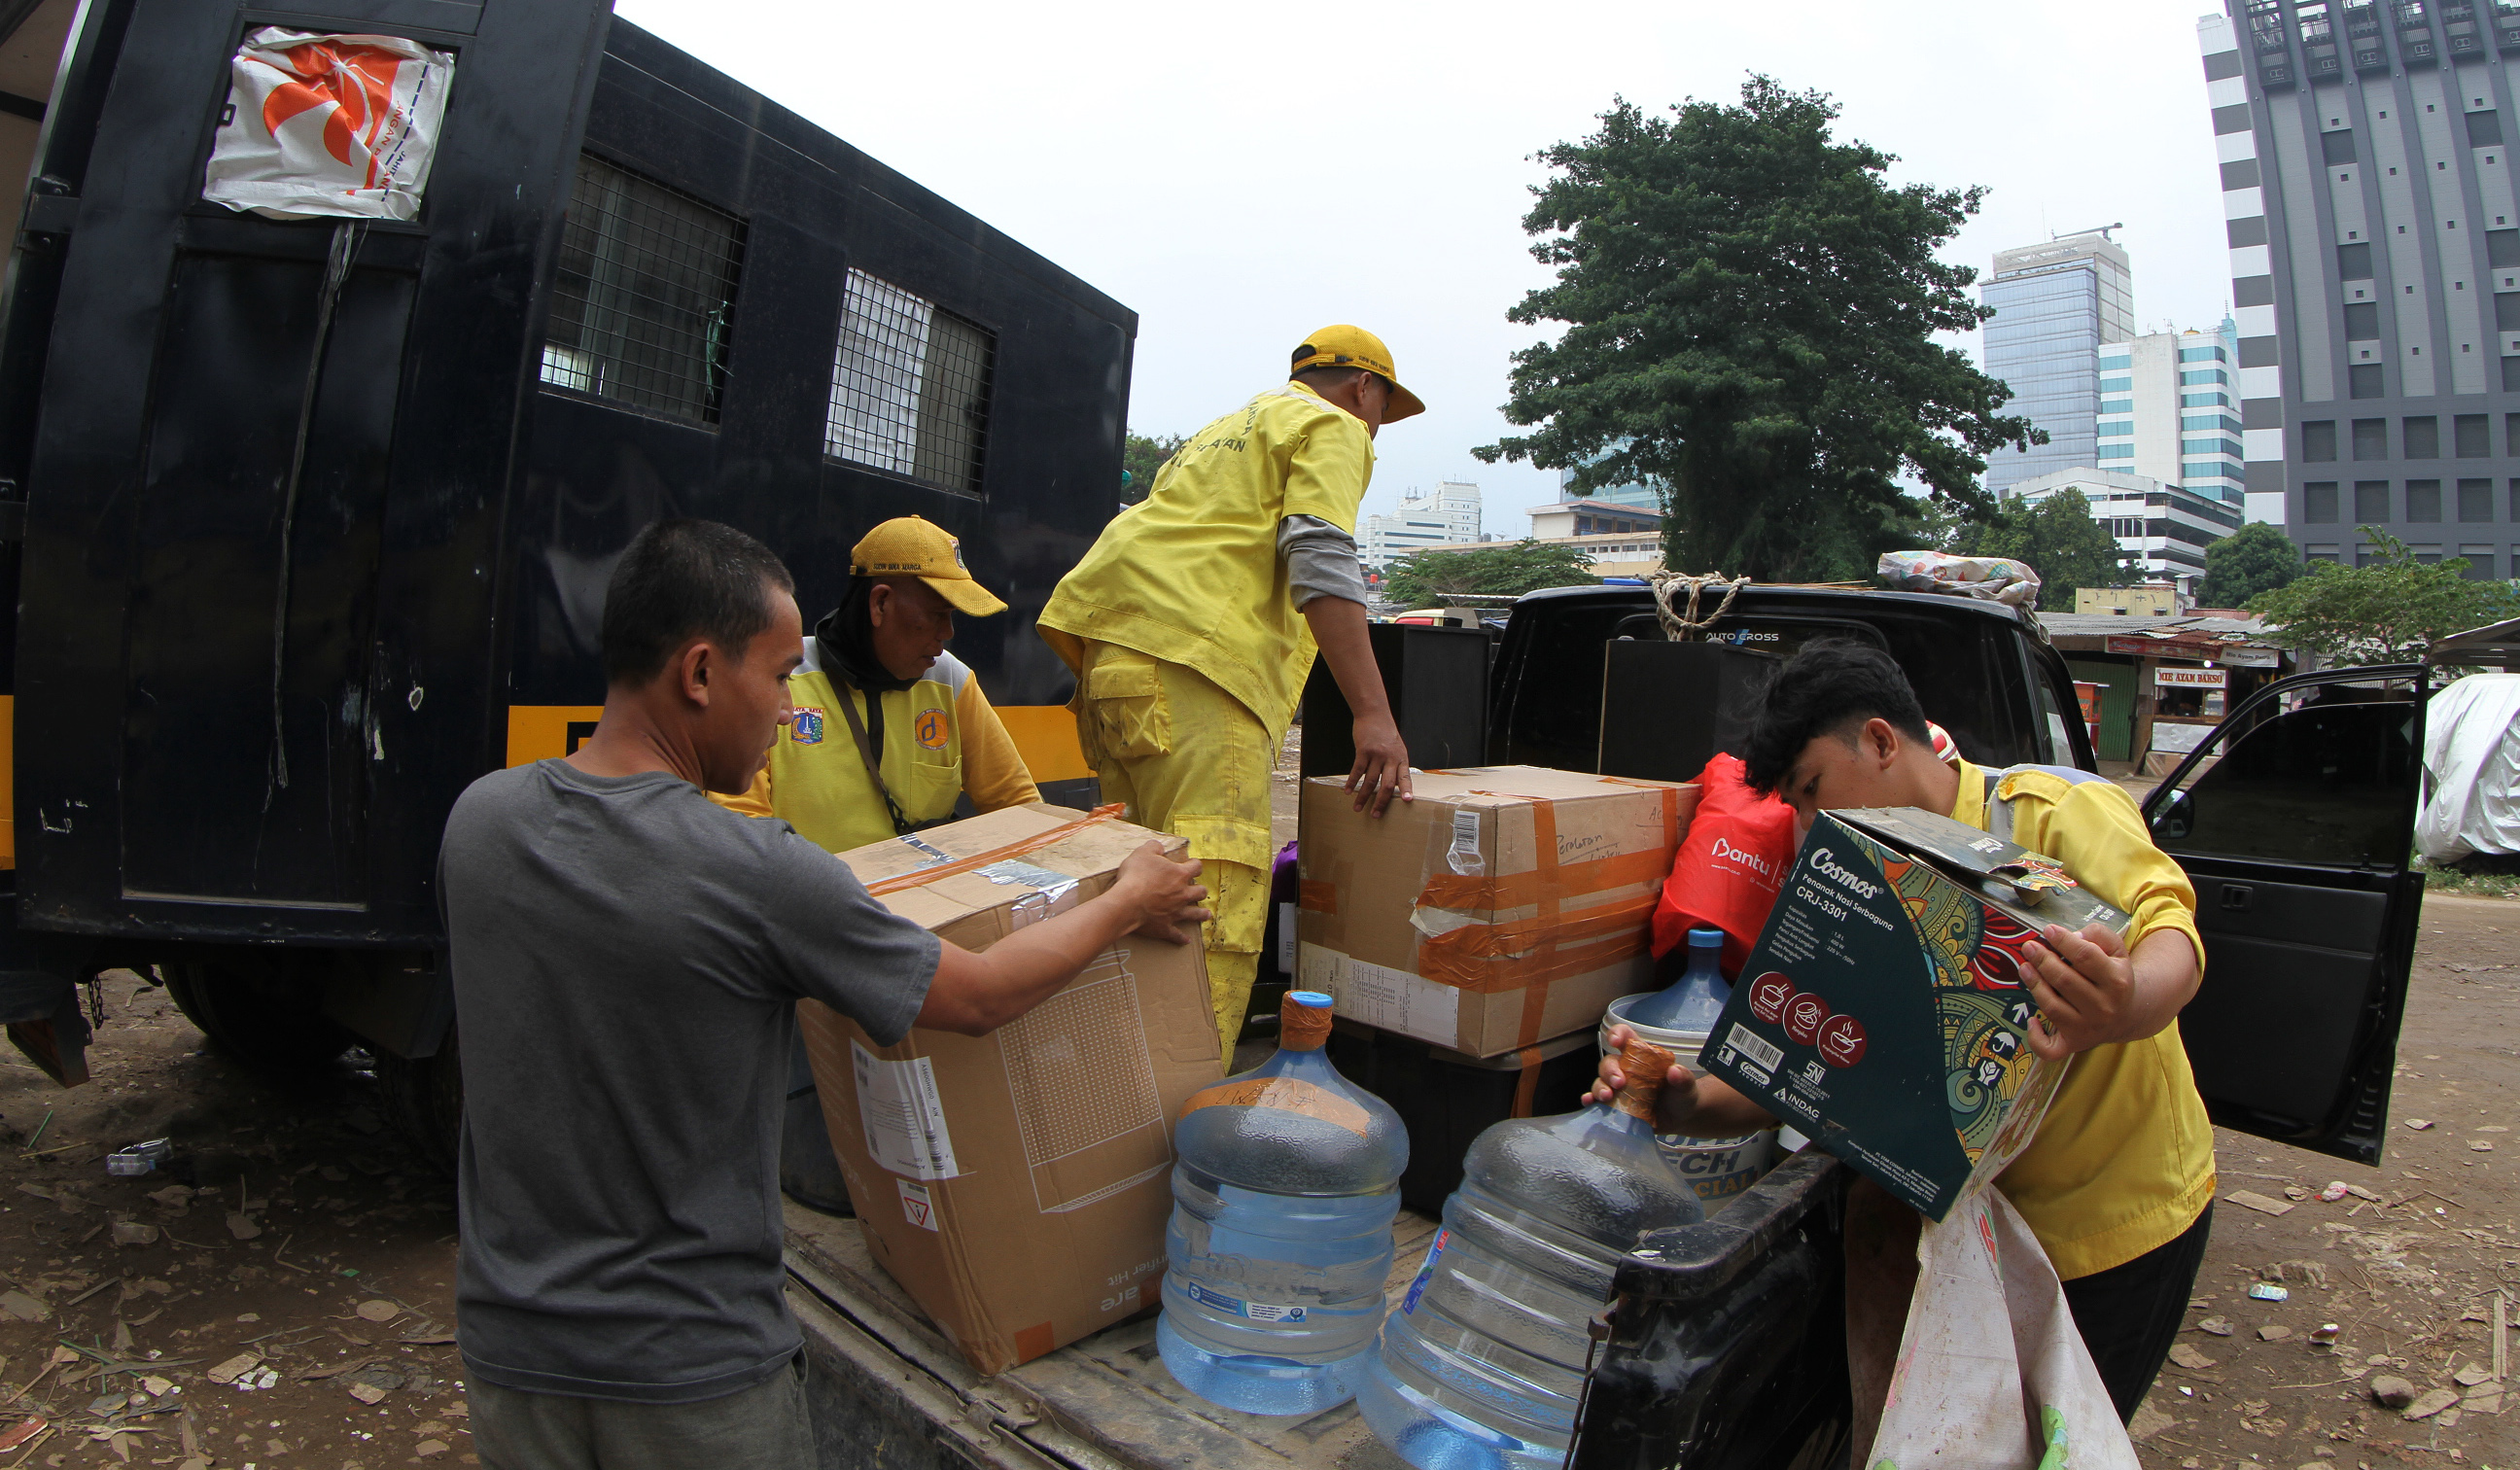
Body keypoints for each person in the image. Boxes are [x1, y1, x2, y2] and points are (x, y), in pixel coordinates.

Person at [439, 518, 1208, 1469]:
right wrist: (1129, 898)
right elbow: (973, 998)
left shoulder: (478, 824)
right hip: (694, 1380)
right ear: (699, 675)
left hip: (511, 1363)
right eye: (771, 678)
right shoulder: (758, 874)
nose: (780, 710)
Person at [1593, 639, 2211, 1432]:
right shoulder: (1852, 885)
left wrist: (2121, 1003)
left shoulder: (2046, 813)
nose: (1810, 825)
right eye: (1795, 807)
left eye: (1814, 790)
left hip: (2111, 1229)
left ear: (1882, 741)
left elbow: (2173, 932)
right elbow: (1804, 1067)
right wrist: (1685, 1105)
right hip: (1971, 1244)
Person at [1037, 325, 1425, 1056]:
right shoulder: (1334, 425)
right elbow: (1318, 552)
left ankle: (1112, 1115)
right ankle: (1186, 1122)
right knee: (1213, 901)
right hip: (1200, 669)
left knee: (1139, 892)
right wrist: (1373, 714)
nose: (1377, 427)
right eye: (1382, 409)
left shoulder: (1224, 431)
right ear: (1364, 388)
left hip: (1117, 665)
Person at [716, 515, 1039, 853]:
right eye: (936, 614)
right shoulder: (783, 680)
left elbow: (1019, 808)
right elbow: (740, 833)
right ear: (880, 603)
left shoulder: (952, 682)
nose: (948, 633)